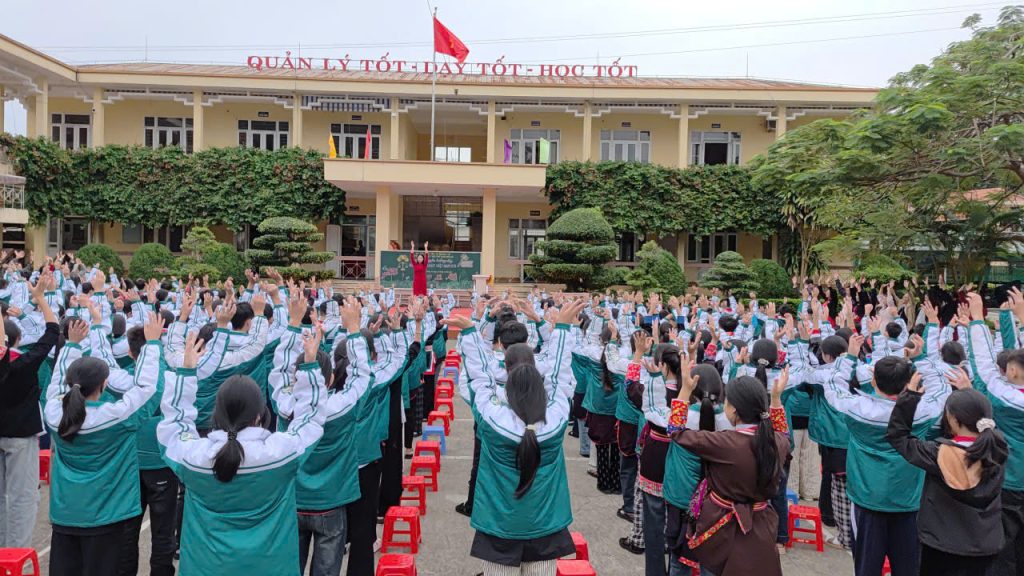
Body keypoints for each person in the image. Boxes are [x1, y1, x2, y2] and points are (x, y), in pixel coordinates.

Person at [157, 300, 327, 575]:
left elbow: (173, 426)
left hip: (206, 568)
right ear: (260, 415)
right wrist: (309, 366)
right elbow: (311, 418)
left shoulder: (195, 457)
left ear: (217, 414)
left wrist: (186, 373)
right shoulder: (279, 453)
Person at [446, 299, 582, 576]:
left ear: (506, 381)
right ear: (539, 383)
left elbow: (479, 379)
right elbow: (559, 378)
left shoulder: (493, 420)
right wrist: (563, 329)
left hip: (499, 526)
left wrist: (471, 333)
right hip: (545, 526)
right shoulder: (555, 422)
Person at [44, 313, 161, 576]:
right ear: (104, 384)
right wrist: (152, 345)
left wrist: (72, 345)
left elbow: (56, 383)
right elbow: (146, 389)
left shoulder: (54, 414)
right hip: (107, 516)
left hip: (65, 514)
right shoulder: (116, 417)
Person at [272, 297, 370, 576]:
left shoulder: (284, 406)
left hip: (293, 500)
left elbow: (279, 371)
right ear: (330, 380)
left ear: (296, 378)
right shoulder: (340, 407)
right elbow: (361, 377)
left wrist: (293, 323)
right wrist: (354, 330)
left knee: (290, 568)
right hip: (331, 502)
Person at [667, 370, 792, 576]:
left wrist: (685, 391)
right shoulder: (777, 443)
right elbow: (784, 434)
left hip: (720, 526)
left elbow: (675, 430)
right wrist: (776, 400)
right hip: (761, 524)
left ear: (733, 409)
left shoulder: (724, 443)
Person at [887, 379, 1008, 575]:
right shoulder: (997, 449)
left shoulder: (939, 454)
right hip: (986, 544)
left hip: (941, 545)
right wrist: (971, 397)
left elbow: (898, 436)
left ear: (953, 419)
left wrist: (909, 398)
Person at [966, 291, 1024, 576]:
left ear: (1011, 371)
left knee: (1004, 545)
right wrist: (1018, 318)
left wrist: (977, 320)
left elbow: (983, 367)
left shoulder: (1003, 398)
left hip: (1009, 481)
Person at [0, 272, 58, 549]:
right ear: (18, 339)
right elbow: (52, 331)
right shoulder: (25, 362)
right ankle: (15, 552)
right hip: (21, 437)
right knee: (22, 496)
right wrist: (40, 299)